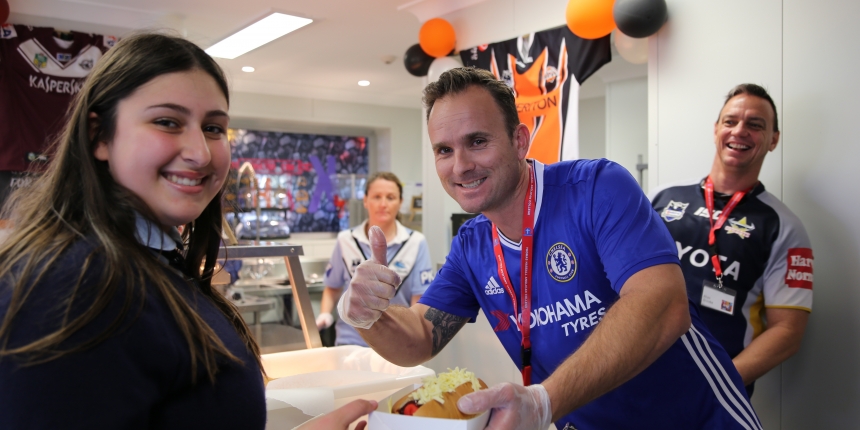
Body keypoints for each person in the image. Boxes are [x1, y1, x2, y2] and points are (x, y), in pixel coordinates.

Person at [337, 67, 762, 430]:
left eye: (478, 141)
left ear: (520, 140)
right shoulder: (472, 245)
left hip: (697, 419)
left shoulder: (595, 188)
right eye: (444, 150)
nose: (460, 165)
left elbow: (664, 305)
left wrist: (543, 401)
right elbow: (421, 338)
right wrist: (369, 316)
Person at [0, 32, 374, 430]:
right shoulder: (70, 284)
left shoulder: (149, 263)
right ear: (99, 136)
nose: (200, 153)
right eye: (167, 122)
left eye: (214, 128)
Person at [649, 83, 813, 398]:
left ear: (773, 139)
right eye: (730, 121)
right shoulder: (660, 197)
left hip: (712, 397)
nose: (740, 131)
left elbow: (788, 332)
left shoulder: (784, 226)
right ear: (716, 131)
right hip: (638, 374)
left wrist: (718, 383)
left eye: (755, 125)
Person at [316, 172, 433, 346]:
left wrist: (416, 335)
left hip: (396, 342)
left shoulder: (416, 242)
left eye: (391, 197)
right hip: (351, 341)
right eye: (377, 197)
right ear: (365, 200)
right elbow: (332, 288)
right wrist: (325, 313)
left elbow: (419, 299)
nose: (383, 204)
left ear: (400, 202)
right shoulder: (346, 240)